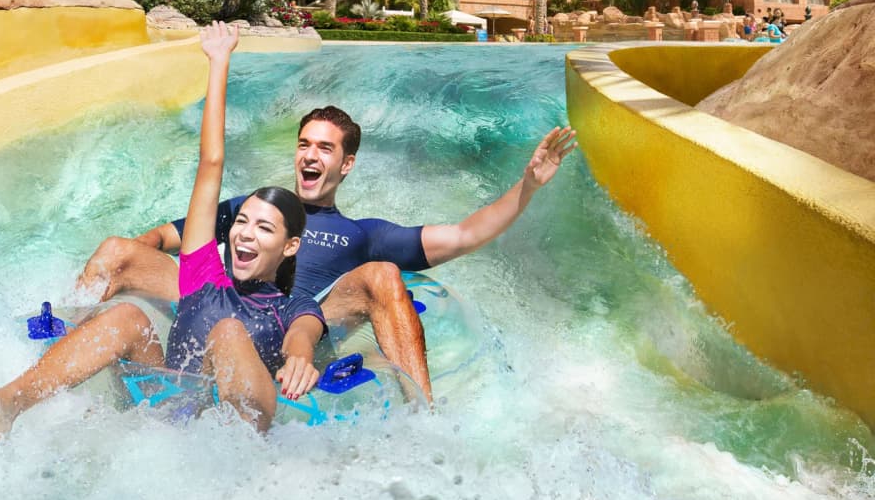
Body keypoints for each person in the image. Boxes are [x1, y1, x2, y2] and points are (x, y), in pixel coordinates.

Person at [0, 22, 326, 436]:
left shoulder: (293, 306)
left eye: (264, 228)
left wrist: (299, 357)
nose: (244, 234)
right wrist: (218, 62)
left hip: (239, 428)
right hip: (171, 412)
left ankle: (236, 452)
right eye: (241, 222)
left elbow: (303, 336)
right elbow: (211, 165)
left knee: (228, 330)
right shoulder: (203, 276)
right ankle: (9, 403)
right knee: (128, 316)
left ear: (290, 246)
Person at [69, 108, 577, 405]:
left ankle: (424, 417)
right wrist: (144, 267)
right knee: (118, 249)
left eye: (325, 149)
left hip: (297, 326)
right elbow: (159, 239)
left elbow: (465, 235)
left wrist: (527, 186)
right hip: (216, 307)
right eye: (304, 144)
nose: (310, 156)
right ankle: (66, 351)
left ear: (346, 163)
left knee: (381, 275)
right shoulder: (253, 212)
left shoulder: (362, 233)